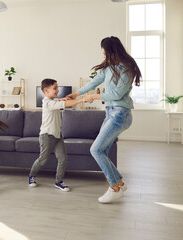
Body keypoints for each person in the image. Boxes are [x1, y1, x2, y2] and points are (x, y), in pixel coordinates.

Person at [66, 36, 141, 203]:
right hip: (110, 112)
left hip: (120, 113)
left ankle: (116, 186)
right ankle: (118, 184)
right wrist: (76, 94)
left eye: (105, 53)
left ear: (113, 51)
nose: (104, 57)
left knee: (96, 150)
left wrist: (94, 97)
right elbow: (94, 82)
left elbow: (116, 94)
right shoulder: (109, 68)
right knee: (103, 150)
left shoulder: (126, 70)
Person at [28, 79, 84, 191]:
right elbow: (65, 104)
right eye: (55, 88)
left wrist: (62, 98)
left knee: (63, 159)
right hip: (46, 136)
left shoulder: (52, 100)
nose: (58, 90)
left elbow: (59, 101)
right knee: (42, 159)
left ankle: (59, 181)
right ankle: (32, 176)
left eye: (57, 88)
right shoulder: (47, 102)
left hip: (57, 135)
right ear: (46, 90)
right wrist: (82, 100)